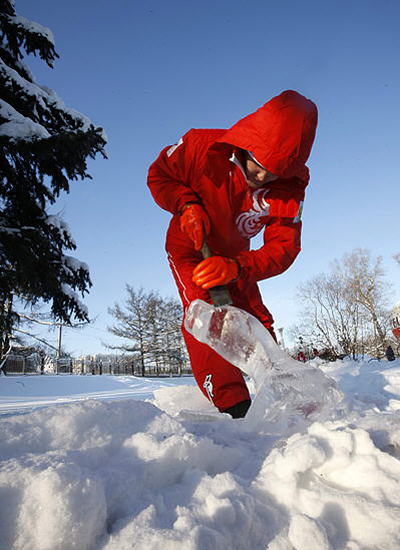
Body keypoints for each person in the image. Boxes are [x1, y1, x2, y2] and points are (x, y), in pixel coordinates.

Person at [147, 90, 318, 418]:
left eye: (276, 170)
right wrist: (185, 203)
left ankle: (282, 389)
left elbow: (284, 248)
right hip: (190, 246)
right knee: (206, 312)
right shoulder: (201, 147)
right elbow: (159, 175)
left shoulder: (289, 188)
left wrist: (238, 267)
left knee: (256, 315)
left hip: (236, 258)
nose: (263, 177)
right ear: (248, 141)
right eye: (261, 164)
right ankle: (233, 402)